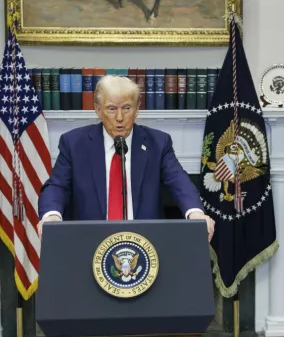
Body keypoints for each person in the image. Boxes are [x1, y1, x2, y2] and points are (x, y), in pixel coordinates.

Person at [38, 75, 215, 241]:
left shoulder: (158, 143)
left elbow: (179, 181)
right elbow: (57, 186)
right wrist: (51, 215)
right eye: (112, 109)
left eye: (127, 108)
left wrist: (196, 213)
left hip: (146, 243)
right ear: (98, 110)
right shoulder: (74, 144)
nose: (120, 117)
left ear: (137, 109)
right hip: (88, 242)